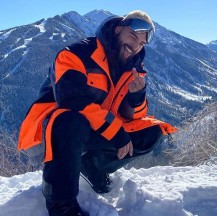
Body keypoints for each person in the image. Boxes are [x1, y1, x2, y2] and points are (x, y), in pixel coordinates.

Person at [18, 10, 176, 216]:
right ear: (118, 29)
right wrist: (115, 131)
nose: (135, 47)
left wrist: (137, 97)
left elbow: (132, 117)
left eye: (142, 44)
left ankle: (92, 167)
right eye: (133, 37)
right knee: (70, 120)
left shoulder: (133, 69)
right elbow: (71, 100)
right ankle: (61, 205)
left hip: (94, 126)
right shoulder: (76, 54)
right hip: (49, 132)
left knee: (151, 132)